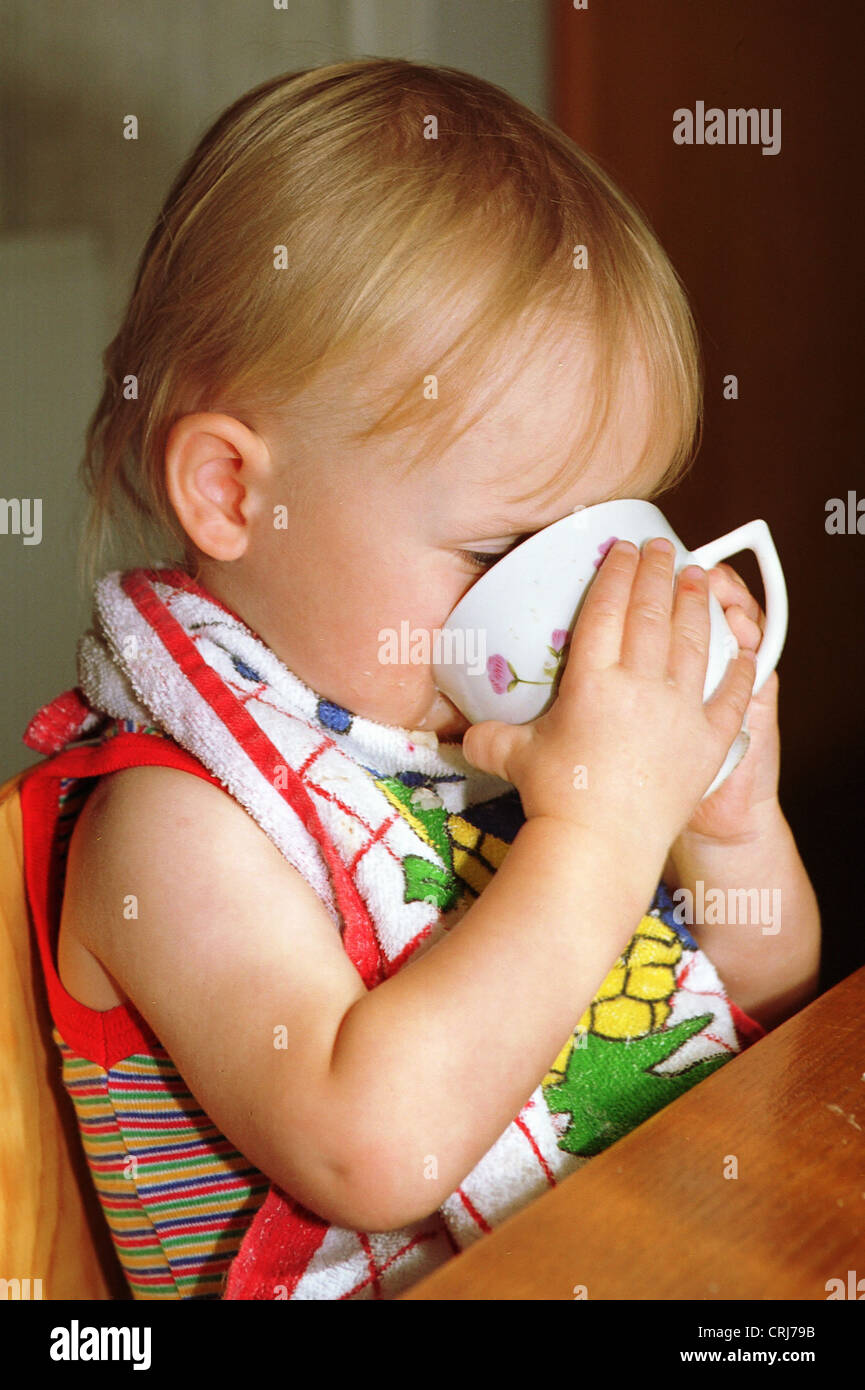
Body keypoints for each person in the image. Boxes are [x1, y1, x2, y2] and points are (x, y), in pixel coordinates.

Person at [22, 58, 820, 1300]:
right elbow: (375, 1143)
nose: (565, 604)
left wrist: (724, 823)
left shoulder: (458, 740)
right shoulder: (173, 826)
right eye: (506, 553)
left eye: (604, 533)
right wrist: (598, 836)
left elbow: (764, 986)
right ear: (235, 492)